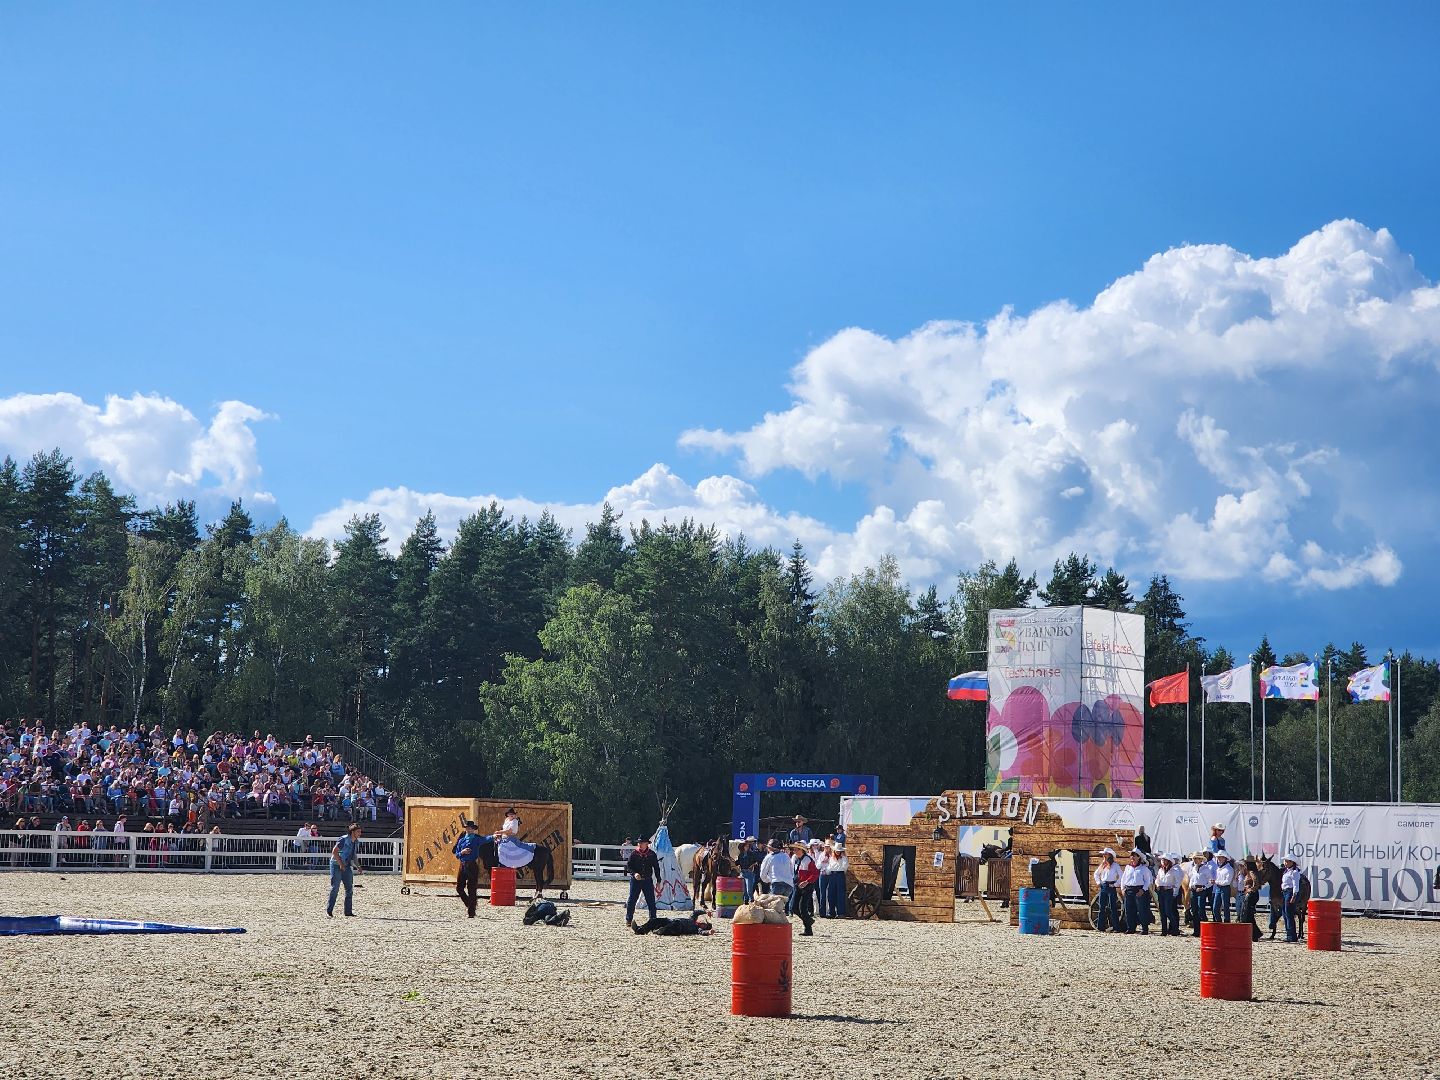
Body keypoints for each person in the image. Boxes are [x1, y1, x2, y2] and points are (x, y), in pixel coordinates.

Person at [327, 823, 363, 918]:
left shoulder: (355, 842)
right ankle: (329, 910)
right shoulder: (343, 839)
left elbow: (353, 855)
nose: (360, 833)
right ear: (352, 832)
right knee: (335, 888)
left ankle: (348, 911)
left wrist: (358, 866)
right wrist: (341, 864)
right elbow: (335, 851)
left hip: (346, 865)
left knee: (349, 888)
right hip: (336, 865)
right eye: (358, 832)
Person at [624, 835, 660, 927]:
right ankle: (629, 919)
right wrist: (634, 873)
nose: (640, 844)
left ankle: (653, 920)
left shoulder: (652, 854)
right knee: (632, 900)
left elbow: (656, 868)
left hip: (647, 880)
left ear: (646, 844)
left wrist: (659, 881)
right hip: (635, 881)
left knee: (651, 901)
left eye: (642, 843)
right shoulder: (634, 854)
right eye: (639, 843)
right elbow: (629, 866)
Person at [452, 818, 485, 918]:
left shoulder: (477, 838)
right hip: (463, 864)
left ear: (473, 829)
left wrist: (495, 836)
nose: (469, 830)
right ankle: (469, 904)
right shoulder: (462, 838)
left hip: (471, 865)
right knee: (459, 888)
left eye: (470, 828)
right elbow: (456, 852)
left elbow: (486, 839)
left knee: (471, 889)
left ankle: (471, 912)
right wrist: (462, 852)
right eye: (467, 828)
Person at [1120, 849, 1153, 933]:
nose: (1132, 857)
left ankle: (1144, 928)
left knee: (1142, 910)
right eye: (1131, 855)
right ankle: (1131, 928)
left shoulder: (1143, 868)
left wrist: (1143, 890)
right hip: (1129, 889)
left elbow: (1147, 881)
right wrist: (1122, 888)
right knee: (1129, 910)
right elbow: (1123, 879)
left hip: (1139, 889)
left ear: (1139, 857)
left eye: (1134, 856)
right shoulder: (1128, 868)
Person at [791, 842, 818, 936]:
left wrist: (807, 881)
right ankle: (809, 920)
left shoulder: (808, 860)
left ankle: (808, 929)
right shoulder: (795, 859)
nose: (794, 851)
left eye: (796, 849)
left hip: (807, 886)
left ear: (801, 850)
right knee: (794, 907)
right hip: (797, 885)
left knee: (802, 908)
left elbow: (815, 873)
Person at [1185, 850, 1214, 936]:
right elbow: (1191, 879)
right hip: (1194, 890)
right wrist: (1190, 886)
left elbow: (1210, 881)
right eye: (1194, 858)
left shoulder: (1206, 869)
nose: (1194, 860)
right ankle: (1196, 931)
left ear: (1201, 859)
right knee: (1194, 910)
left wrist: (1204, 887)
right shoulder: (1193, 869)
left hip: (1201, 890)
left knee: (1201, 910)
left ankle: (1204, 930)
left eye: (1196, 858)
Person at [1093, 848, 1121, 932]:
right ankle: (1100, 927)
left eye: (1105, 854)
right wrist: (1098, 882)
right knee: (1101, 907)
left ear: (1110, 855)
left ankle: (1116, 927)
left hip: (1111, 886)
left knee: (1113, 907)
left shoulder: (1115, 865)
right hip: (1104, 886)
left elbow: (1121, 876)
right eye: (1104, 854)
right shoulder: (1103, 865)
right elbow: (1096, 874)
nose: (1104, 856)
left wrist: (1115, 884)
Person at [1154, 853, 1182, 936]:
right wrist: (1157, 884)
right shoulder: (1161, 870)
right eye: (1162, 860)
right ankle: (1164, 931)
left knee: (1168, 911)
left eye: (1164, 860)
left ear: (1169, 861)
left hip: (1169, 891)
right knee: (1162, 912)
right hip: (1161, 891)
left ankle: (1175, 929)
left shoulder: (1174, 870)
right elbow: (1157, 879)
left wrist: (1174, 891)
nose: (1163, 861)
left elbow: (1178, 882)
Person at [760, 838, 794, 904]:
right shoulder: (786, 856)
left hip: (777, 884)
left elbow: (762, 875)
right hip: (789, 885)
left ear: (770, 848)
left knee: (773, 907)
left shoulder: (769, 857)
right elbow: (792, 871)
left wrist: (768, 880)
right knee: (782, 907)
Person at [1237, 857, 1262, 942]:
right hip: (1251, 894)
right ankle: (1255, 933)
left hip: (1251, 895)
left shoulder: (1251, 872)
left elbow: (1256, 882)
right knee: (1249, 914)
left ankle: (1255, 933)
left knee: (1247, 914)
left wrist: (1251, 889)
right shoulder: (1251, 872)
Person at [633, 910, 713, 936]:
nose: (702, 923)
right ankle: (640, 930)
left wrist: (708, 932)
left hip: (677, 927)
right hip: (670, 920)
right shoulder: (693, 919)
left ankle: (660, 931)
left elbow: (702, 932)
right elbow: (695, 912)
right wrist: (705, 911)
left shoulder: (696, 929)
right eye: (704, 922)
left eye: (704, 925)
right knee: (654, 920)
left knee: (674, 924)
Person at [1281, 854, 1302, 942]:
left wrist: (1294, 895)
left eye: (1286, 861)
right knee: (1285, 914)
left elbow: (1295, 885)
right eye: (1285, 861)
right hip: (1285, 892)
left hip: (1290, 892)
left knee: (1289, 914)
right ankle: (1289, 934)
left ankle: (1292, 936)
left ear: (1291, 862)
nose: (1285, 863)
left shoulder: (1294, 872)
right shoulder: (1287, 871)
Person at [1211, 850, 1235, 923]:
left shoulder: (1229, 869)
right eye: (1218, 857)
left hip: (1225, 888)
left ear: (1225, 858)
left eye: (1221, 857)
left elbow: (1227, 882)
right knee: (1215, 907)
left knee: (1225, 907)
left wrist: (1216, 882)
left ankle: (1226, 922)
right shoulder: (1219, 868)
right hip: (1219, 888)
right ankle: (1219, 921)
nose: (1219, 859)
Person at [737, 838, 763, 902]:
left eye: (748, 846)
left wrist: (752, 865)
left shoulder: (751, 854)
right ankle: (746, 902)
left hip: (749, 873)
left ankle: (751, 901)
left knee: (749, 890)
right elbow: (738, 862)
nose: (747, 847)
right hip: (742, 873)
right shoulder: (741, 854)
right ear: (743, 847)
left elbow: (756, 861)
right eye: (746, 846)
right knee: (744, 890)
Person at [827, 843, 848, 917]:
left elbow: (845, 867)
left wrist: (843, 858)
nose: (838, 852)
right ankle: (831, 912)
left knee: (840, 894)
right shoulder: (831, 858)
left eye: (839, 851)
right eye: (837, 851)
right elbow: (829, 868)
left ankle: (841, 912)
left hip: (840, 875)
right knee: (831, 894)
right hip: (832, 875)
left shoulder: (844, 858)